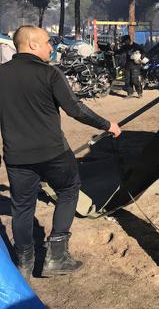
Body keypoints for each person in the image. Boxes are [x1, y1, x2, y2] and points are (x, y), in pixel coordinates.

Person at [0, 25, 121, 281]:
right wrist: (107, 125)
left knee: (22, 207)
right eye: (46, 42)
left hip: (17, 157)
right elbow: (76, 109)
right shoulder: (49, 73)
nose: (50, 47)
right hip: (53, 153)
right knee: (68, 190)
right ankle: (56, 256)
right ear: (32, 44)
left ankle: (23, 263)